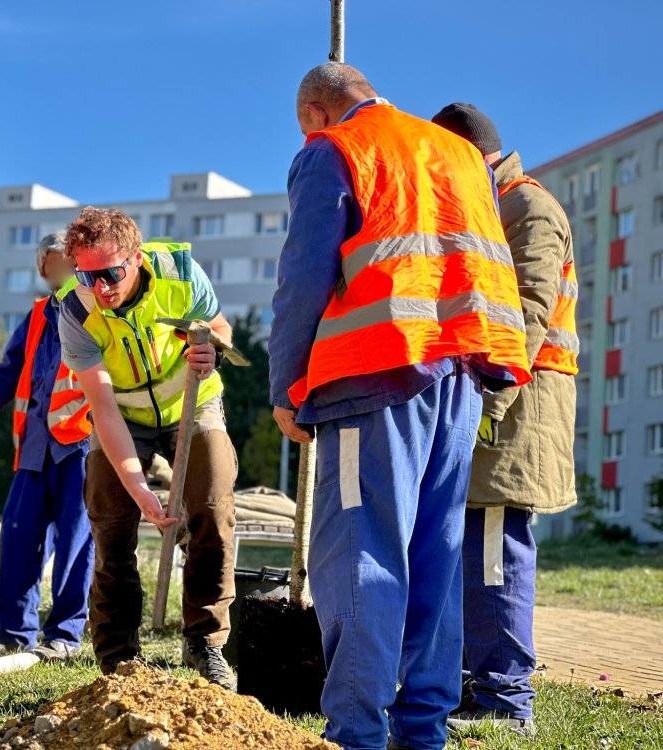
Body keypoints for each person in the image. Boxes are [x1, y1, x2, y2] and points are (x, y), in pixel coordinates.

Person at [269, 63, 531, 750]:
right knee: (436, 560)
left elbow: (303, 277)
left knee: (361, 553)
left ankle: (356, 733)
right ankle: (423, 732)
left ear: (318, 112)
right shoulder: (460, 153)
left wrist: (286, 387)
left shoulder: (335, 150)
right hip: (460, 378)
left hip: (373, 375)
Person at [433, 103, 578, 736]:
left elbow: (528, 312)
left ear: (471, 155)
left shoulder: (528, 209)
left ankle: (504, 699)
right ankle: (479, 683)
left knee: (494, 550)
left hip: (515, 407)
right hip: (497, 400)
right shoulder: (496, 207)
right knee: (474, 549)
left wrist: (482, 406)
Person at [57, 207, 239, 690]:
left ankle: (206, 644)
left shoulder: (180, 272)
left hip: (192, 404)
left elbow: (220, 328)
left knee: (212, 510)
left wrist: (213, 347)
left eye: (111, 274)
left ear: (136, 258)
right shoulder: (75, 309)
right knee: (111, 523)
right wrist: (139, 489)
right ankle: (118, 660)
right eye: (86, 275)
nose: (100, 287)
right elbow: (103, 409)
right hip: (124, 416)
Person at [0, 230, 94, 662]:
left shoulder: (99, 308)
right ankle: (14, 631)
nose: (59, 272)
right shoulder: (40, 314)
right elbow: (8, 373)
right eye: (52, 266)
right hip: (35, 446)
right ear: (44, 271)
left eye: (66, 264)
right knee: (18, 537)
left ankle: (65, 633)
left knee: (76, 540)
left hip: (79, 441)